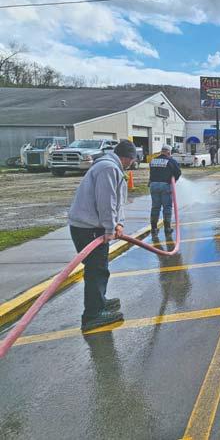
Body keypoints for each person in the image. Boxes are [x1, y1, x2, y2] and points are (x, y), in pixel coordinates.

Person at [68, 139, 136, 332]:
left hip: (90, 226)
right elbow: (106, 202)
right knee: (96, 269)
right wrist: (109, 229)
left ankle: (99, 301)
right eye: (133, 160)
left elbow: (118, 202)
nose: (132, 163)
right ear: (128, 158)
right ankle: (93, 315)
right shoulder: (108, 168)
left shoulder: (111, 167)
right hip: (89, 228)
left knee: (100, 267)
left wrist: (119, 223)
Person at [149, 144, 182, 235]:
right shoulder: (171, 161)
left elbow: (152, 172)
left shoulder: (153, 160)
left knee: (155, 207)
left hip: (153, 185)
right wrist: (173, 181)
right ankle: (167, 228)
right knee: (167, 207)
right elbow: (178, 172)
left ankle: (154, 228)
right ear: (168, 152)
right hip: (165, 185)